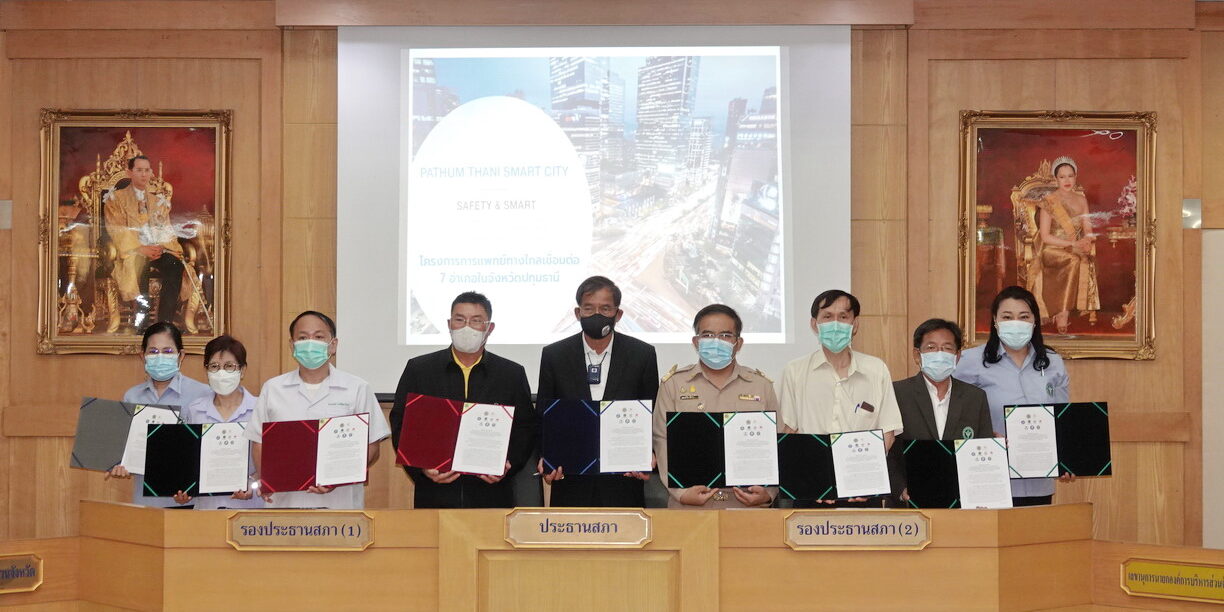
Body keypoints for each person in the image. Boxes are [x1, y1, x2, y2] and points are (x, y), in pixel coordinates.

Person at [390, 292, 538, 508]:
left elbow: (524, 428)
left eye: (476, 320)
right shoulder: (420, 369)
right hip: (435, 493)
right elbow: (401, 423)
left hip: (492, 494)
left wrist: (508, 465)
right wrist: (421, 469)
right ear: (449, 324)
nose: (466, 327)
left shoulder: (510, 374)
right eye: (459, 319)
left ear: (489, 328)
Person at [244, 311, 391, 509]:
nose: (310, 343)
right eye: (303, 337)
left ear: (333, 344)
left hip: (340, 505)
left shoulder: (357, 388)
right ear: (292, 345)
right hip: (285, 504)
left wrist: (337, 478)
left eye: (319, 337)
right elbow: (259, 442)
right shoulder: (273, 388)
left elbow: (372, 445)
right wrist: (268, 479)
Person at [537, 276, 659, 507]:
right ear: (577, 313)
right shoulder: (555, 355)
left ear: (618, 314)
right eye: (589, 308)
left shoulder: (642, 355)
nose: (596, 314)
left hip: (624, 479)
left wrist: (648, 455)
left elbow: (651, 413)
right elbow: (544, 414)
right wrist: (547, 458)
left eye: (605, 309)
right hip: (570, 479)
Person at [777, 289, 902, 507]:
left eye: (843, 317)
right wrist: (812, 481)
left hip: (863, 490)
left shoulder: (876, 369)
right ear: (814, 324)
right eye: (827, 316)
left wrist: (862, 479)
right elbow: (789, 432)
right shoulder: (795, 370)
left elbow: (887, 434)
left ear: (855, 324)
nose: (835, 324)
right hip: (811, 491)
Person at [954, 285, 1074, 506]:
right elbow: (954, 417)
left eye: (1024, 316)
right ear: (995, 321)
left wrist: (1067, 460)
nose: (1015, 323)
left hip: (1039, 480)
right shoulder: (970, 362)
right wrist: (985, 434)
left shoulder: (1053, 362)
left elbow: (1062, 419)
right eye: (1007, 317)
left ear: (1035, 321)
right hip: (989, 476)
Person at [653, 304, 778, 509]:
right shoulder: (673, 384)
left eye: (726, 335)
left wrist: (768, 494)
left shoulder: (760, 385)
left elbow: (777, 441)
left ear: (738, 343)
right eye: (708, 335)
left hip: (747, 506)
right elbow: (661, 439)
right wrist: (680, 493)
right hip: (689, 505)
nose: (716, 341)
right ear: (696, 342)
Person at [889, 318, 994, 503]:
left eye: (947, 348)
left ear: (957, 356)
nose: (939, 354)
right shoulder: (896, 393)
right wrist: (900, 489)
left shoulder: (975, 397)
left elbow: (983, 449)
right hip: (908, 503)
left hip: (961, 503)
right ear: (917, 355)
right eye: (931, 347)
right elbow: (886, 451)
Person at [107, 321, 211, 507]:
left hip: (191, 502)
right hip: (146, 502)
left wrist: (192, 488)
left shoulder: (203, 394)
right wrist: (119, 464)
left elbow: (209, 449)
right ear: (143, 356)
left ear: (181, 356)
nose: (160, 356)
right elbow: (125, 449)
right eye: (153, 351)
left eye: (168, 351)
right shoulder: (132, 396)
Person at [173, 335, 262, 509]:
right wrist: (185, 491)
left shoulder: (260, 408)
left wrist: (252, 484)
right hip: (207, 509)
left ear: (242, 370)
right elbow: (187, 462)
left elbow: (271, 465)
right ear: (206, 370)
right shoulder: (194, 410)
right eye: (214, 366)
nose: (221, 372)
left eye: (229, 366)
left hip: (249, 510)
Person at [103, 155, 188, 331]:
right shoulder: (115, 199)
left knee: (175, 265)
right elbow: (116, 229)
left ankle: (165, 322)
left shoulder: (157, 201)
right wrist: (140, 248)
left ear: (151, 173)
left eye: (147, 170)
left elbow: (165, 228)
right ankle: (142, 323)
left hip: (156, 251)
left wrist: (161, 247)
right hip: (132, 251)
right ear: (129, 172)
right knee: (139, 265)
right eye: (139, 170)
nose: (143, 174)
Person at [1036, 156, 1100, 335]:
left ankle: (1063, 311)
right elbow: (1045, 237)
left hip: (1074, 247)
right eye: (1062, 177)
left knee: (1082, 258)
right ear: (1055, 179)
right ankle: (1062, 313)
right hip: (1051, 250)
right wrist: (1073, 243)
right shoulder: (1049, 201)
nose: (1067, 180)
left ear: (1076, 176)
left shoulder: (1082, 200)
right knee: (1073, 260)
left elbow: (1088, 229)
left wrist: (1087, 241)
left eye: (1070, 176)